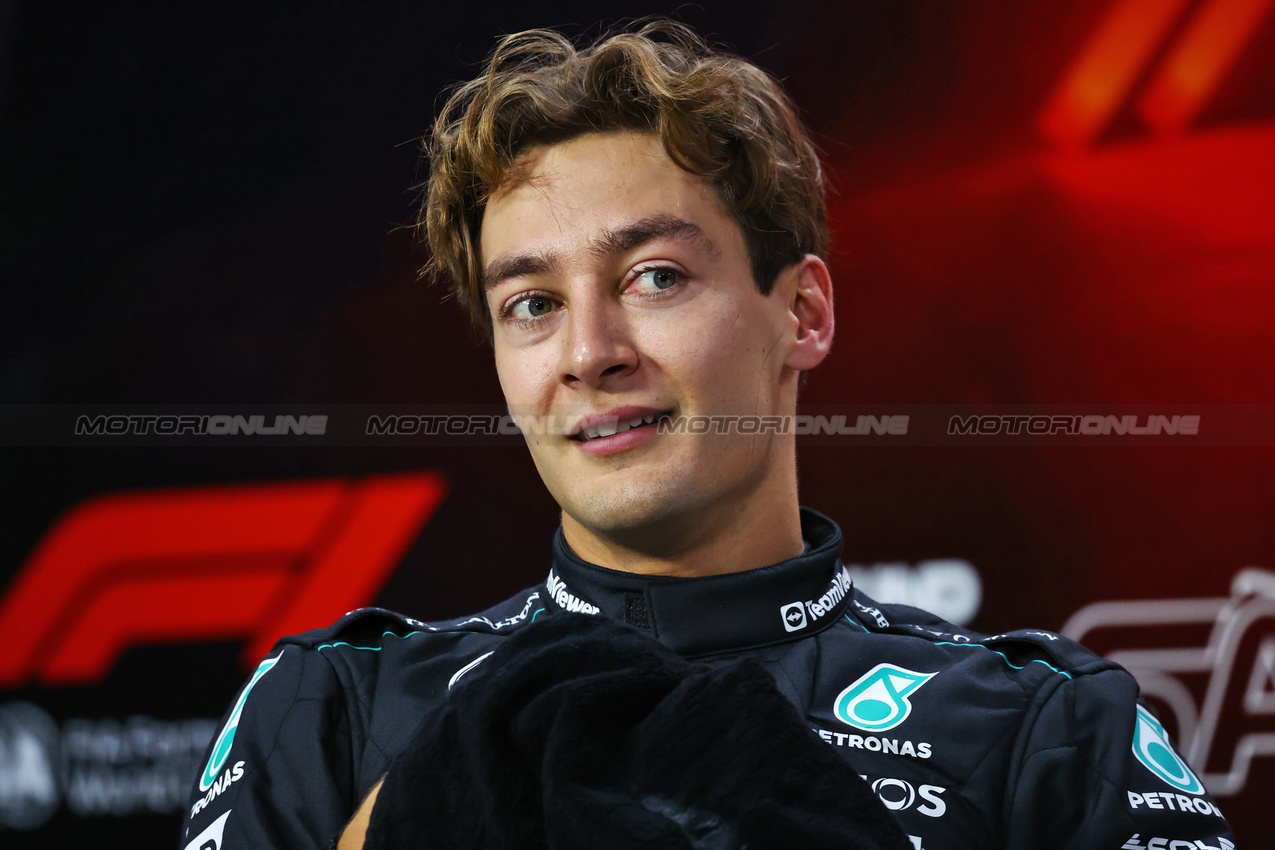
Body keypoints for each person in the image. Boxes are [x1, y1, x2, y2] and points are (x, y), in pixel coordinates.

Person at [180, 21, 1236, 850]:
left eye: (656, 278)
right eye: (532, 304)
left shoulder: (1043, 731)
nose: (590, 352)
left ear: (805, 314)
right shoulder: (336, 712)